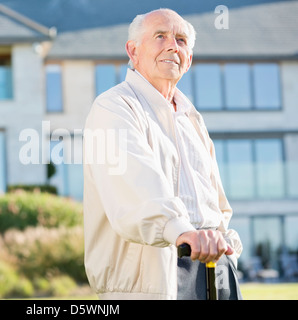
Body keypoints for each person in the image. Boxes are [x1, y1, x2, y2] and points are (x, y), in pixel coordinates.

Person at [82, 8, 243, 300]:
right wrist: (180, 230)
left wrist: (226, 247)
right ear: (133, 51)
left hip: (215, 271)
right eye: (160, 36)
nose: (172, 45)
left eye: (181, 40)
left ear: (189, 59)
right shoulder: (113, 107)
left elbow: (215, 202)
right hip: (156, 281)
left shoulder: (192, 118)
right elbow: (136, 182)